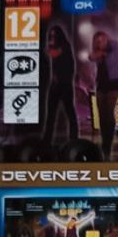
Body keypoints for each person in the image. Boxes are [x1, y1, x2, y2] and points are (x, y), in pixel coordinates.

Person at [42, 24, 78, 157]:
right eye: (50, 36)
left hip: (65, 85)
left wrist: (50, 44)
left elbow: (52, 53)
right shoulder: (55, 46)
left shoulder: (64, 46)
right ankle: (46, 142)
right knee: (51, 115)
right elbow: (49, 52)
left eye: (54, 35)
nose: (52, 38)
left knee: (70, 113)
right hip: (55, 85)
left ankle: (74, 140)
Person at [89, 31, 118, 160]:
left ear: (107, 39)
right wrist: (98, 52)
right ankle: (105, 144)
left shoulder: (114, 47)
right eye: (98, 41)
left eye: (102, 40)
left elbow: (114, 47)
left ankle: (108, 144)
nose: (100, 43)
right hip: (101, 85)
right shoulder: (97, 52)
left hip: (113, 84)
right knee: (102, 116)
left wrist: (104, 43)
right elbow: (91, 57)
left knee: (109, 114)